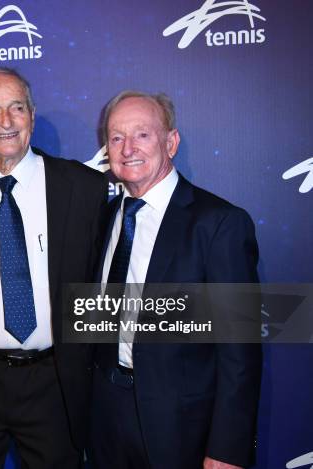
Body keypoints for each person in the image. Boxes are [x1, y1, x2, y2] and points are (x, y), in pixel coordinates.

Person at [0, 67, 108, 469]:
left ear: (32, 116)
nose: (7, 122)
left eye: (17, 108)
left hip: (56, 382)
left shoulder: (84, 187)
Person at [89, 90, 262, 469]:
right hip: (105, 415)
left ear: (171, 142)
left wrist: (227, 448)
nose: (128, 148)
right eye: (116, 137)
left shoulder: (218, 224)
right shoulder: (104, 217)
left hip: (181, 426)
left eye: (142, 135)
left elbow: (240, 352)